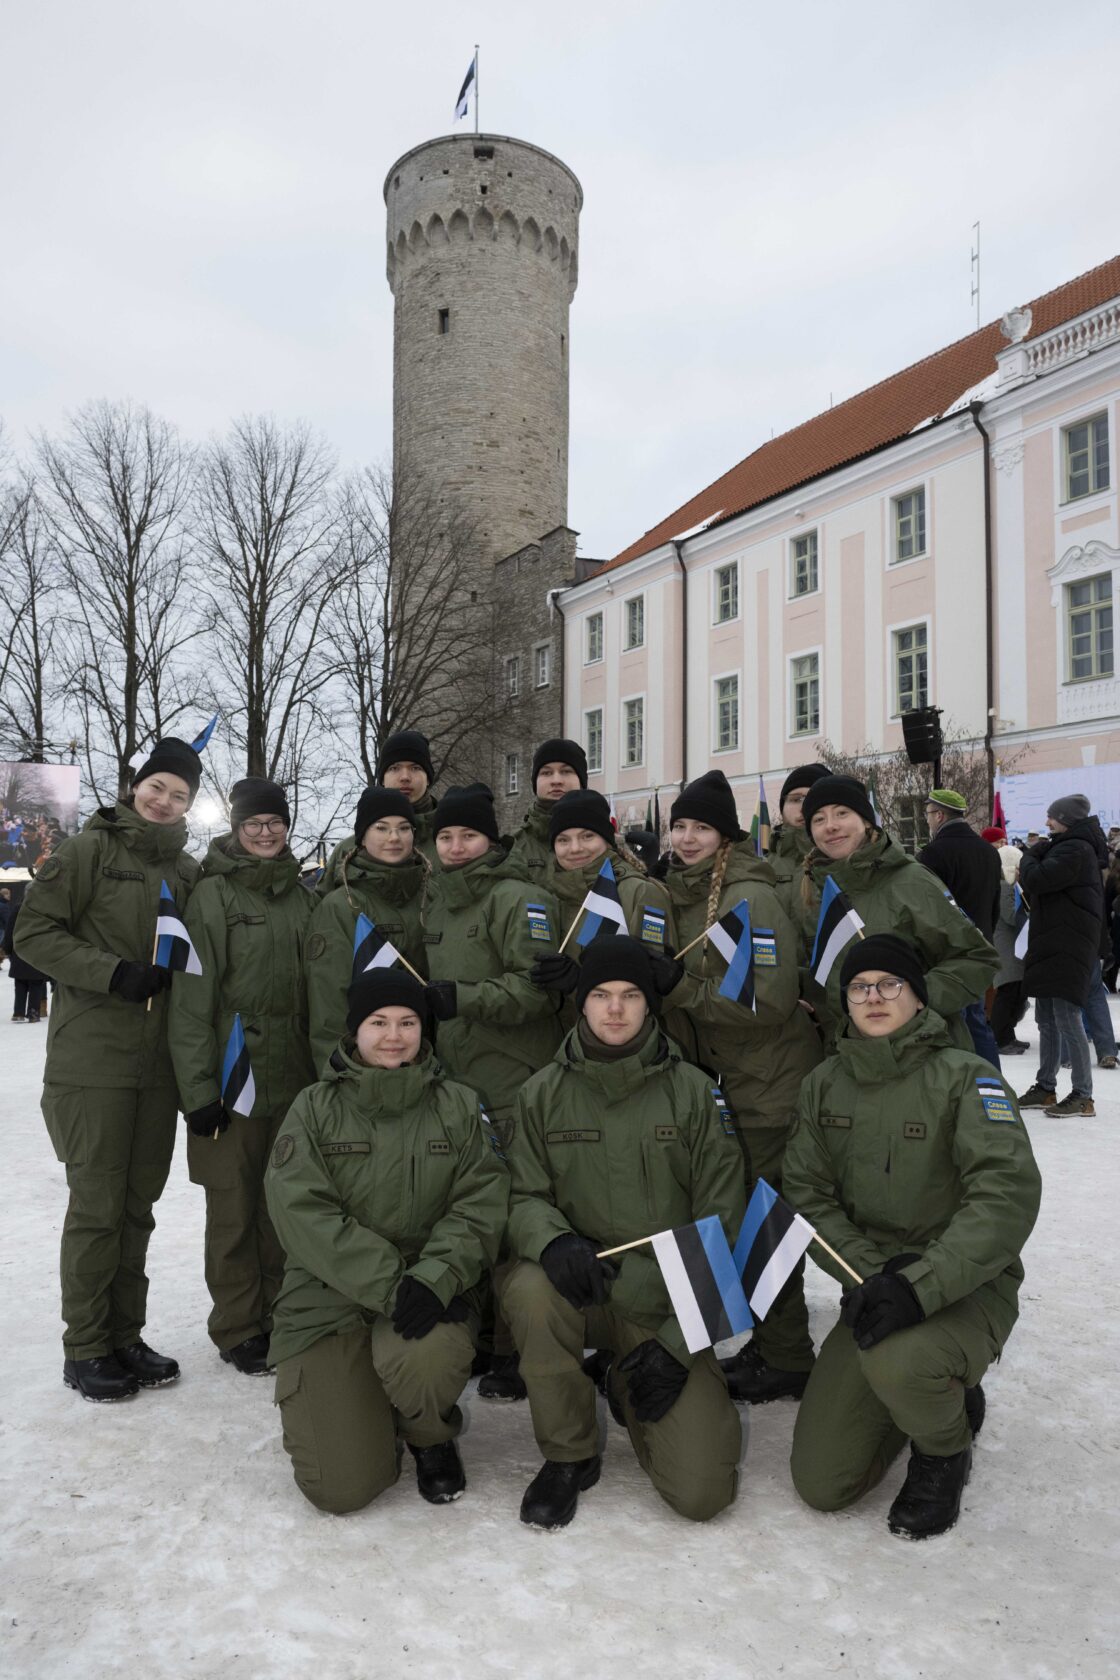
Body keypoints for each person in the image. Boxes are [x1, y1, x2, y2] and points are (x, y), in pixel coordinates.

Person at [785, 934, 1041, 1540]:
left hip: (964, 1284)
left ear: (919, 1000)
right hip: (875, 1283)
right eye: (859, 987)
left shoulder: (967, 1079)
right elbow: (806, 1193)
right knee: (823, 1484)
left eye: (890, 984)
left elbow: (1004, 1197)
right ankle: (934, 1392)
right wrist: (878, 1275)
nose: (874, 996)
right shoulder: (823, 1085)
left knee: (903, 1361)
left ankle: (943, 1448)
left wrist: (918, 1285)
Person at [501, 936, 745, 1530]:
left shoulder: (694, 1092)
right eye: (601, 995)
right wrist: (553, 1241)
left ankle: (627, 1373)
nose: (615, 1009)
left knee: (702, 1493)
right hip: (576, 1288)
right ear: (580, 1004)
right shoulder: (540, 1095)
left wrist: (677, 1343)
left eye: (631, 995)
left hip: (664, 1302)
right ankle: (569, 1453)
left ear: (649, 1006)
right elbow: (519, 1193)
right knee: (529, 1288)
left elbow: (725, 1225)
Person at [265, 970, 508, 1513]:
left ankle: (429, 1435)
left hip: (429, 1288)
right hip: (328, 1294)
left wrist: (433, 1277)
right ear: (354, 1031)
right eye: (378, 1023)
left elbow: (482, 1203)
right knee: (341, 1489)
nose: (393, 1035)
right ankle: (365, 1405)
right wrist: (388, 1283)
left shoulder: (461, 1105)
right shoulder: (313, 1107)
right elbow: (299, 1210)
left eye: (407, 1022)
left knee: (426, 1357)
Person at [16, 737, 203, 1401]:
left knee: (137, 1207)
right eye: (156, 787)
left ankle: (125, 1334)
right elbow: (33, 935)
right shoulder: (85, 851)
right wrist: (113, 973)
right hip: (91, 1062)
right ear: (135, 786)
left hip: (157, 1069)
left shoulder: (185, 869)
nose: (164, 800)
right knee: (97, 1208)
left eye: (178, 794)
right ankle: (86, 1345)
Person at [655, 770, 823, 1406]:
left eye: (701, 827)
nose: (688, 837)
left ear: (726, 835)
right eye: (681, 826)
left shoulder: (751, 900)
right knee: (746, 1217)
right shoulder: (686, 892)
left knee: (765, 1222)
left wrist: (678, 990)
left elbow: (772, 1001)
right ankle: (771, 1345)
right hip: (726, 1084)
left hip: (770, 1085)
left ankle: (786, 1356)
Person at [168, 777, 315, 1377]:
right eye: (253, 822)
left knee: (282, 1203)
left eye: (274, 822)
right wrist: (199, 1092)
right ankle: (237, 1324)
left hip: (294, 1072)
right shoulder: (212, 896)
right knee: (233, 1204)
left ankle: (281, 1313)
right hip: (234, 1072)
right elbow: (190, 1003)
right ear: (235, 827)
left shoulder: (303, 897)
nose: (264, 831)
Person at [423, 782, 566, 1399]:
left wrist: (465, 999)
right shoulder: (435, 903)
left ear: (491, 839)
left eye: (468, 835)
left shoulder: (521, 898)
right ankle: (480, 1332)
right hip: (454, 1089)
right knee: (467, 1212)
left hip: (512, 1084)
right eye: (447, 837)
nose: (456, 847)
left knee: (512, 1217)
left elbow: (537, 992)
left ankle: (512, 1348)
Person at [793, 775, 999, 1054]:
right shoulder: (816, 889)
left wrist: (912, 997)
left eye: (842, 813)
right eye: (818, 819)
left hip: (918, 1055)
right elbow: (826, 972)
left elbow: (977, 958)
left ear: (866, 820)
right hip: (849, 1057)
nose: (831, 826)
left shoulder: (910, 881)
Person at [305, 787, 428, 1076]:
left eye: (403, 828)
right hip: (364, 1071)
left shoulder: (432, 895)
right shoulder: (341, 906)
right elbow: (329, 1008)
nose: (394, 837)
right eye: (381, 828)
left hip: (428, 1064)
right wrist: (340, 1076)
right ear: (362, 837)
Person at [532, 789, 675, 1001]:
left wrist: (580, 984)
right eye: (563, 840)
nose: (575, 848)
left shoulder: (640, 892)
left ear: (607, 840)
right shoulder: (544, 894)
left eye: (587, 836)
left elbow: (656, 985)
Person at [1016, 795, 1106, 1117]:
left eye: (1052, 817)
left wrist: (1030, 855)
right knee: (1047, 1021)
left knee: (1067, 1019)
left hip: (1069, 944)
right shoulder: (1066, 846)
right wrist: (1038, 853)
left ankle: (1083, 1095)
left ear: (1066, 818)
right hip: (1053, 942)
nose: (1047, 823)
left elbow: (1037, 879)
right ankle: (1045, 1088)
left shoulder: (1075, 849)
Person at [918, 789, 1003, 1068]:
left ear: (940, 815)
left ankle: (961, 1090)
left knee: (951, 1023)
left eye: (928, 814)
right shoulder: (988, 852)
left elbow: (926, 909)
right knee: (977, 1021)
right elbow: (994, 906)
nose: (928, 820)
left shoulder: (933, 853)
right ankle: (994, 1088)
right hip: (980, 948)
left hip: (946, 954)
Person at [506, 738, 588, 883]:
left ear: (581, 780)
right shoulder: (513, 848)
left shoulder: (602, 842)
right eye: (546, 773)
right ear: (535, 782)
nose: (556, 780)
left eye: (566, 771)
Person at [768, 763, 830, 904]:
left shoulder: (849, 859)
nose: (803, 808)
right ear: (782, 807)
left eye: (812, 797)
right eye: (796, 800)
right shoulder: (761, 867)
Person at [990, 844, 1030, 1054]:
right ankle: (1001, 1038)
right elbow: (1010, 915)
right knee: (1008, 992)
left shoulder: (1007, 884)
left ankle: (1008, 1035)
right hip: (1007, 946)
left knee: (1014, 992)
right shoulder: (1006, 885)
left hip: (1012, 945)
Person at [377, 730, 440, 860]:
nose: (405, 777)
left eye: (415, 768)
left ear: (428, 778)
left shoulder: (455, 842)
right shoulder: (353, 848)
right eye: (394, 768)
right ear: (382, 779)